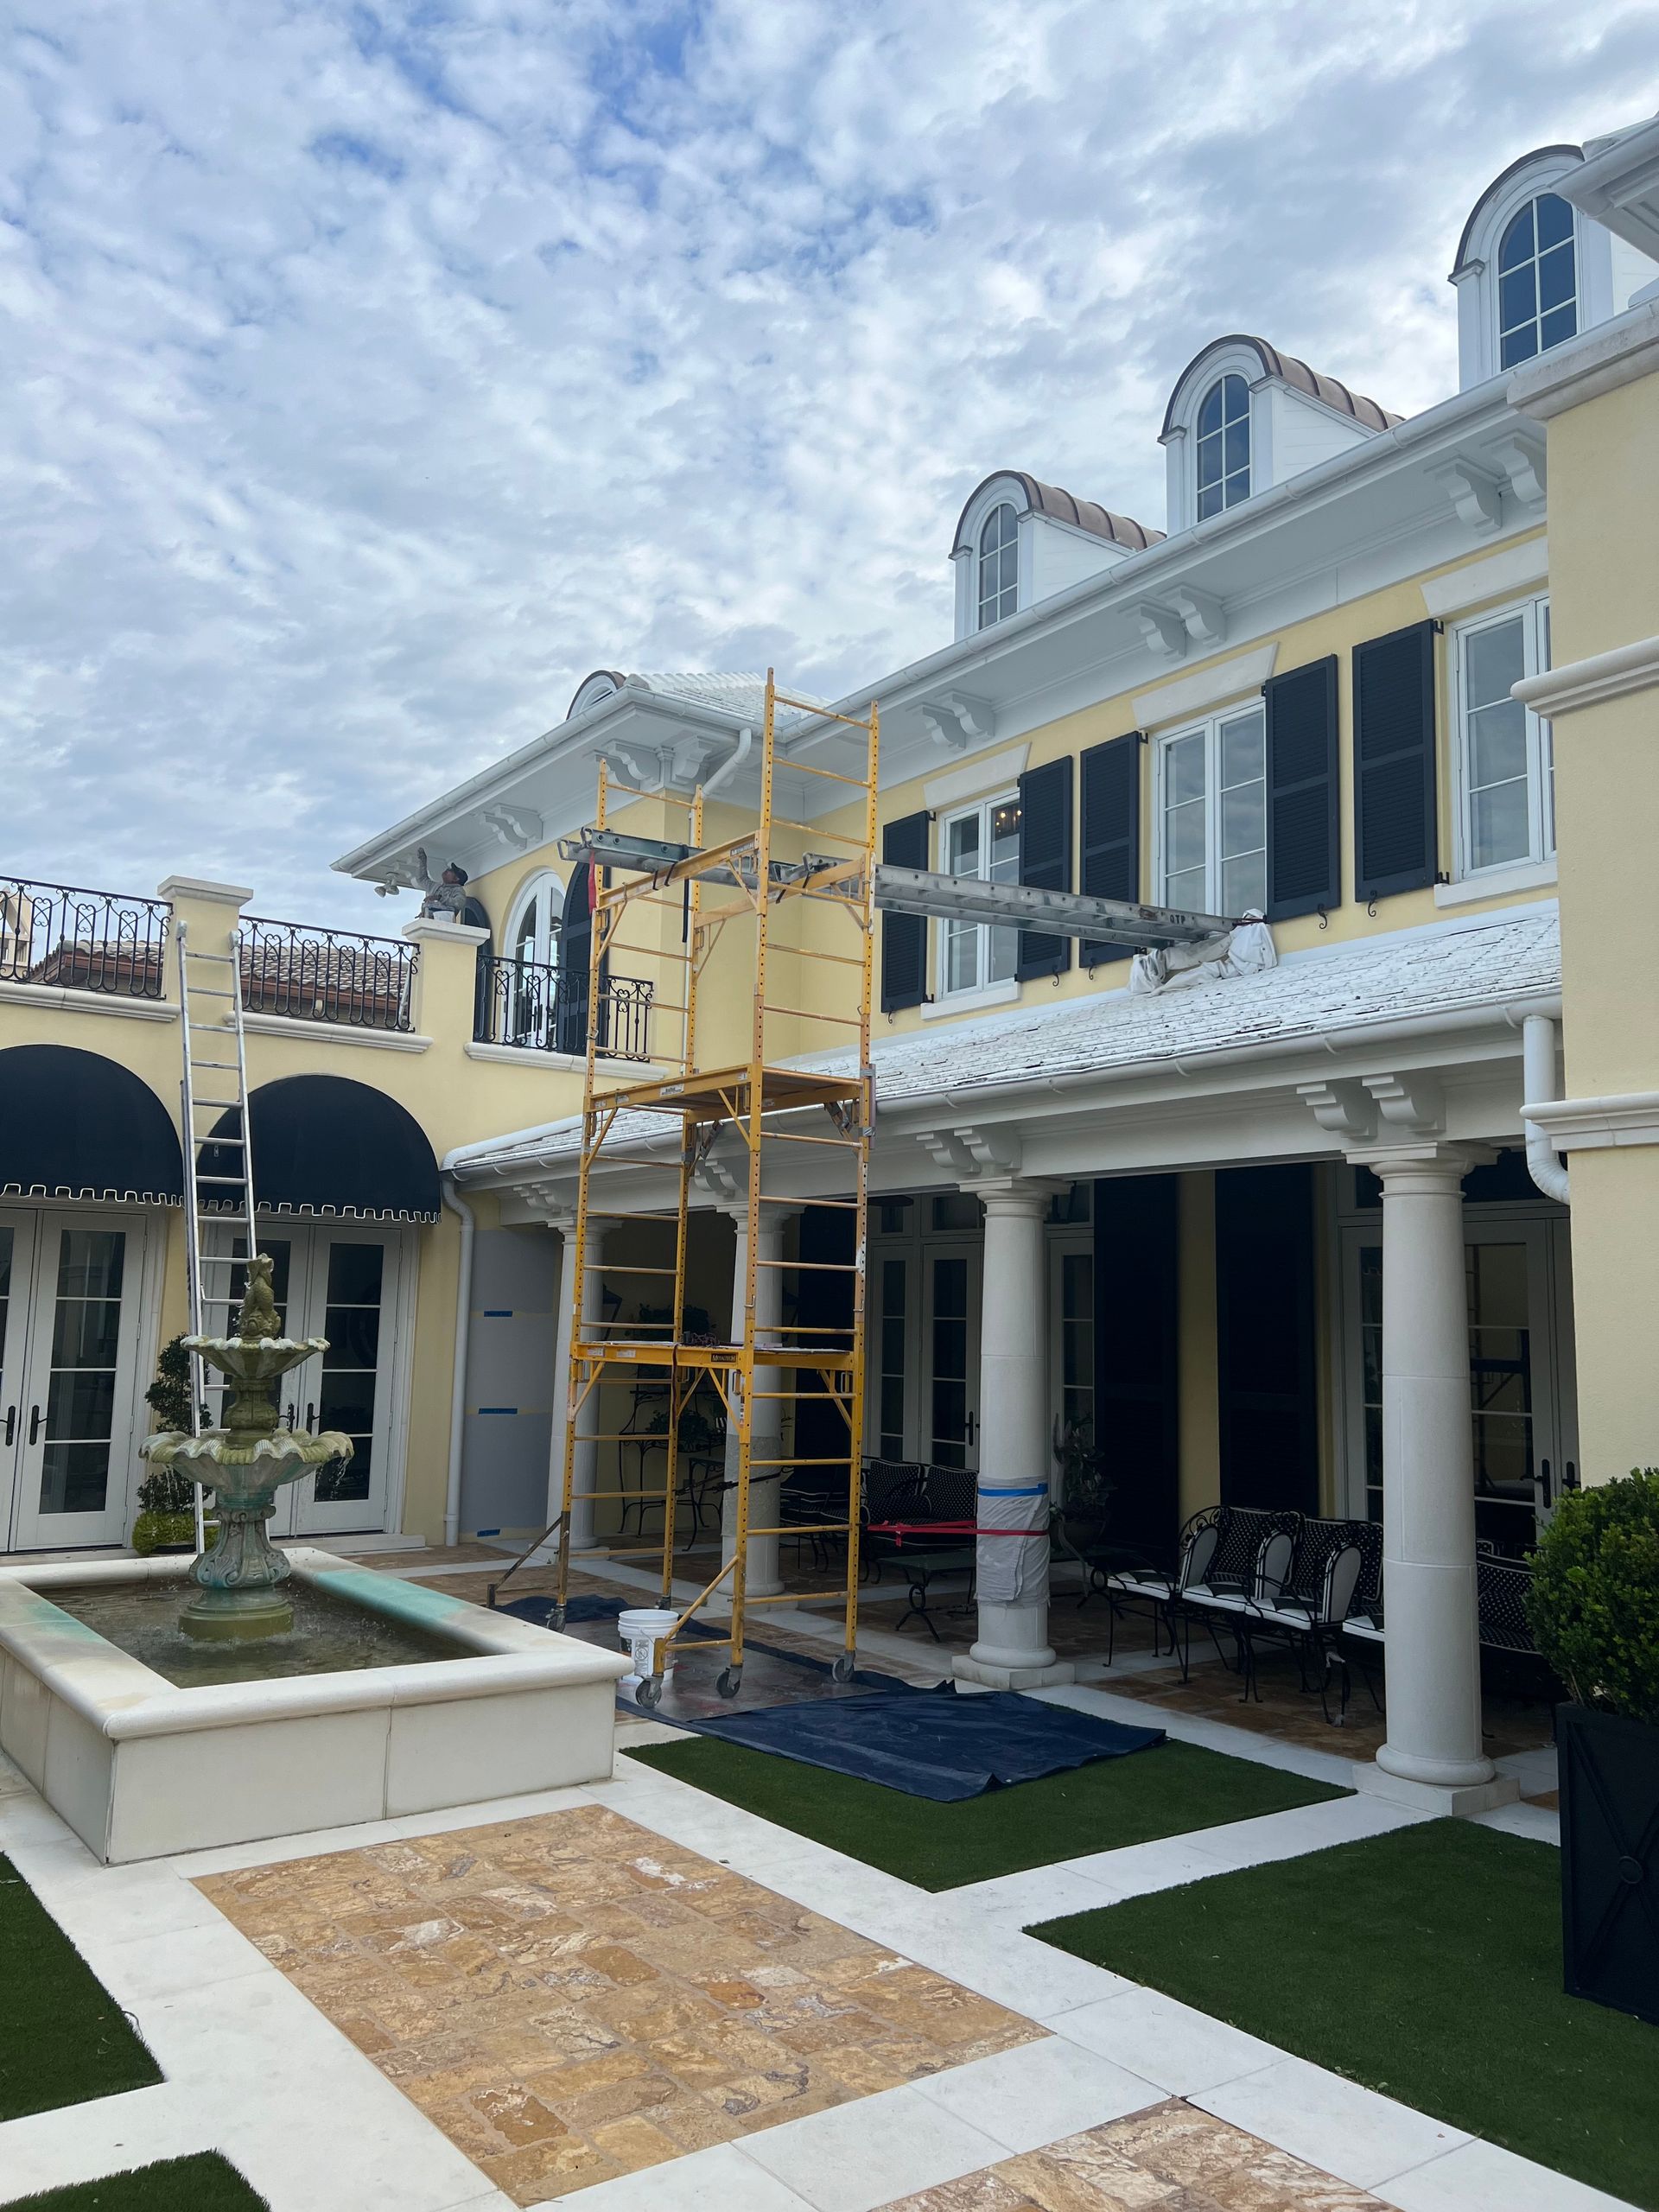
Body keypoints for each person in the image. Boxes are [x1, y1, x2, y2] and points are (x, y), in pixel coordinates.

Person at [414, 849, 471, 921]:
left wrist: (439, 898)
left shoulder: (457, 890)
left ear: (456, 879)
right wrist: (422, 860)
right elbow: (422, 879)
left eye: (451, 871)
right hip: (430, 921)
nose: (447, 870)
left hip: (444, 921)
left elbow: (459, 903)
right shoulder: (437, 887)